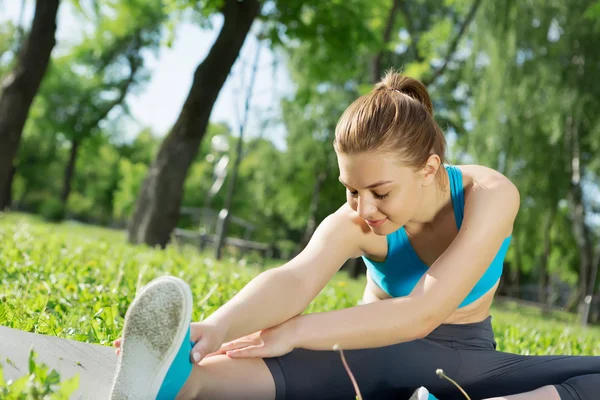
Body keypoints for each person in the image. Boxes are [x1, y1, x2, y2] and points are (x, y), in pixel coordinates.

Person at [109, 71, 600, 400]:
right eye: (351, 191)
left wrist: (297, 330)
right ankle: (183, 379)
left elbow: (421, 314)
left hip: (468, 359)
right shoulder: (357, 221)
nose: (364, 209)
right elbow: (295, 279)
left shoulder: (490, 194)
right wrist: (217, 327)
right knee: (343, 351)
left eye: (381, 192)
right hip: (372, 351)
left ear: (429, 169)